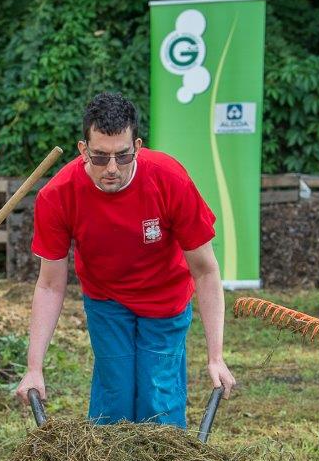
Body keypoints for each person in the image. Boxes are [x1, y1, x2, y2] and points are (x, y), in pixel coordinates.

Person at [14, 92, 234, 425]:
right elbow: (49, 285)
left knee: (157, 395)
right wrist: (34, 368)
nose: (112, 169)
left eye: (123, 155)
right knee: (113, 396)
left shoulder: (169, 179)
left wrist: (216, 356)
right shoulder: (58, 195)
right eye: (100, 157)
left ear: (138, 146)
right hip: (106, 299)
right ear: (83, 149)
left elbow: (205, 271)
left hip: (165, 298)